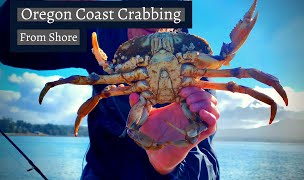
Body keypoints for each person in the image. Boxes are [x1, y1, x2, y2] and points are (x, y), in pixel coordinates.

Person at [0, 1, 220, 179]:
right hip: (103, 172)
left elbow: (208, 165)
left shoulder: (195, 62)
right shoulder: (104, 42)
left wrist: (169, 166)